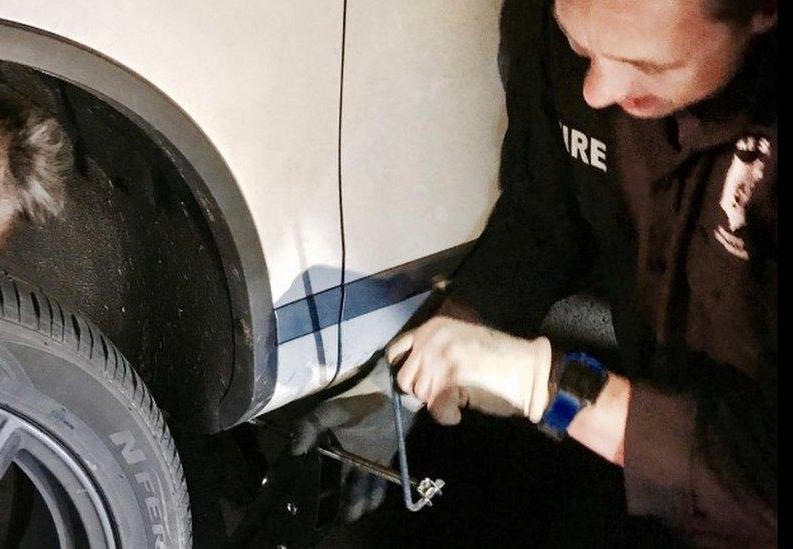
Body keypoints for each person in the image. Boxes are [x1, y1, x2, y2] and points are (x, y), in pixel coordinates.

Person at [296, 0, 777, 545]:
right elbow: (545, 218)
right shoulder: (550, 28)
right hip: (649, 449)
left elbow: (760, 482)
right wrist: (421, 371)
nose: (596, 90)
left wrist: (546, 385)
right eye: (579, 45)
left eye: (647, 66)